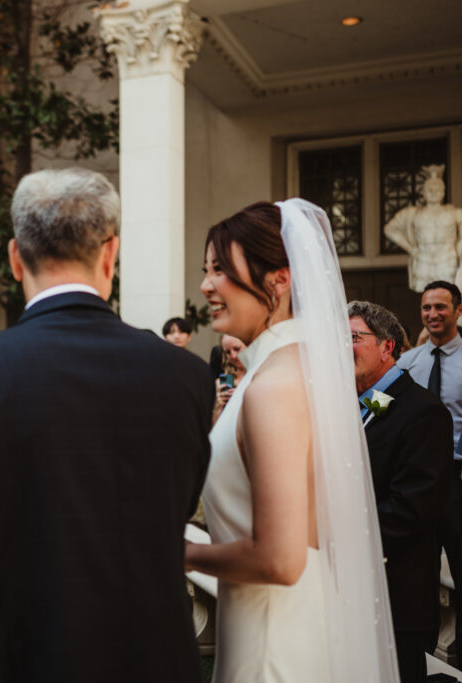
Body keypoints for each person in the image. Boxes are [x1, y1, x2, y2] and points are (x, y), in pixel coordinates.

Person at [0, 168, 214, 682]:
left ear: (16, 258)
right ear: (111, 254)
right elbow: (175, 508)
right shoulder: (188, 377)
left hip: (26, 660)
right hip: (158, 661)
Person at [185, 200, 397, 682]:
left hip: (273, 644)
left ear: (279, 280)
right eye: (206, 270)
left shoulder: (276, 384)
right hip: (288, 622)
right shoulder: (293, 369)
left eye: (220, 269)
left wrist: (175, 550)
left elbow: (279, 558)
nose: (206, 285)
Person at [349, 300, 452, 683]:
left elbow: (412, 509)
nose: (343, 348)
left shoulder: (423, 412)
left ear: (387, 346)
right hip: (355, 590)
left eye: (354, 338)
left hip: (397, 595)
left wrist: (340, 534)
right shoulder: (356, 405)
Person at [398, 279, 462, 659]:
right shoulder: (407, 363)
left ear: (457, 311)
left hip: (457, 481)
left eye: (440, 307)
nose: (432, 314)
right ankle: (419, 652)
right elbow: (377, 411)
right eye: (426, 308)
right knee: (417, 572)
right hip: (416, 486)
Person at [384, 165, 462, 291]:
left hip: (447, 259)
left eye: (438, 189)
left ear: (443, 192)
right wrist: (411, 249)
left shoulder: (454, 213)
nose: (434, 193)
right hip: (423, 259)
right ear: (423, 193)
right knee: (427, 295)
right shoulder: (413, 213)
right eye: (430, 190)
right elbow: (390, 229)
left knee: (448, 295)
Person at [213, 334, 246, 420]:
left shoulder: (259, 375)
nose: (233, 356)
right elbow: (215, 427)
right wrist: (219, 406)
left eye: (237, 349)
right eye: (228, 352)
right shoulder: (223, 381)